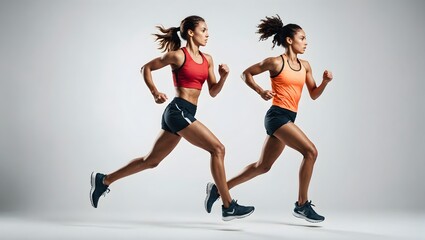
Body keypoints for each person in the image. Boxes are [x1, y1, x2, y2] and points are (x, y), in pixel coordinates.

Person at [90, 15, 254, 221]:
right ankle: (228, 205)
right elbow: (146, 68)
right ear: (190, 33)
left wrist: (223, 77)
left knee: (151, 161)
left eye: (207, 30)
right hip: (178, 111)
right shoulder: (178, 56)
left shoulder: (208, 59)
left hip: (184, 113)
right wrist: (155, 92)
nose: (208, 34)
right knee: (218, 149)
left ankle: (104, 180)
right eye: (203, 30)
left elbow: (213, 91)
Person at [204, 15, 333, 223]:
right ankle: (301, 205)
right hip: (277, 116)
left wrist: (325, 82)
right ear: (290, 40)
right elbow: (247, 73)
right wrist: (260, 90)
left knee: (262, 166)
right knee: (311, 151)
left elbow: (314, 94)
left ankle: (218, 189)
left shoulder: (306, 65)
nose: (306, 42)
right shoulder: (275, 62)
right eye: (302, 38)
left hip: (289, 117)